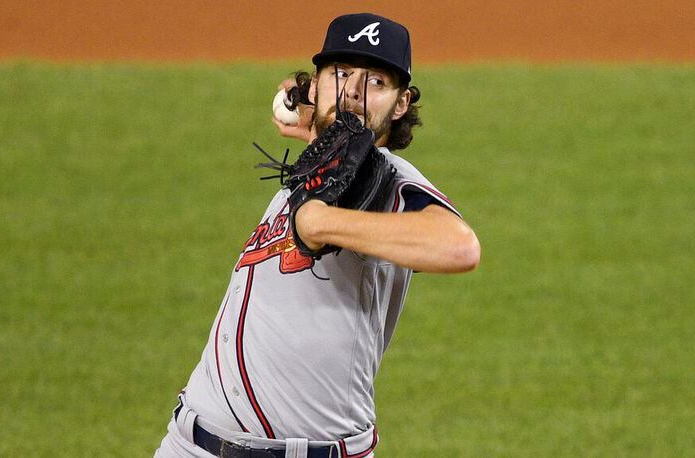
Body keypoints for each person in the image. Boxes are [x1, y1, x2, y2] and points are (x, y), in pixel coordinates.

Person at [155, 12, 480, 458]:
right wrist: (301, 100)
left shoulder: (387, 180)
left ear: (401, 104)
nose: (353, 93)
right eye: (340, 74)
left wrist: (321, 222)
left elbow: (459, 246)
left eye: (376, 83)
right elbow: (316, 107)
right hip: (191, 443)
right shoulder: (316, 165)